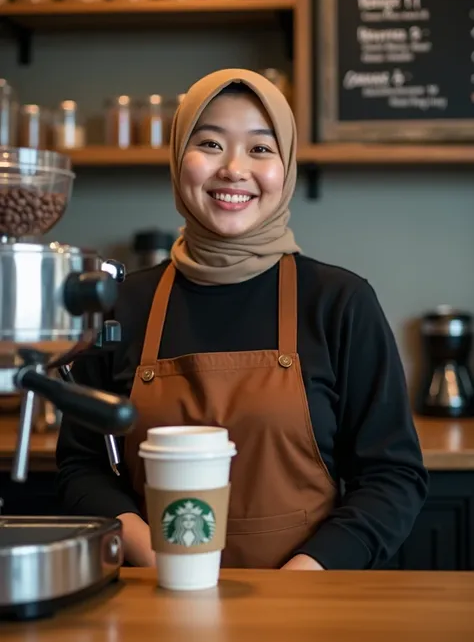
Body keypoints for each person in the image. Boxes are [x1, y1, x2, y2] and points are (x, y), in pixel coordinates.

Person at [56, 68, 429, 570]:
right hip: (154, 599)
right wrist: (156, 558)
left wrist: (308, 574)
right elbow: (83, 467)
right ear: (176, 158)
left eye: (260, 148)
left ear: (287, 166)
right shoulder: (121, 305)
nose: (233, 169)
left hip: (307, 603)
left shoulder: (340, 302)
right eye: (209, 144)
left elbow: (392, 478)